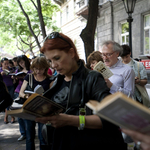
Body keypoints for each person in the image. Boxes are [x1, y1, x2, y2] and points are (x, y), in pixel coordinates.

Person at [35, 32, 127, 150]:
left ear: (71, 53)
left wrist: (71, 120)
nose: (53, 65)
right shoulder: (56, 82)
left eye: (57, 58)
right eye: (49, 61)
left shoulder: (92, 78)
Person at [19, 56, 52, 150]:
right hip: (29, 109)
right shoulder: (29, 77)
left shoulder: (49, 79)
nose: (38, 71)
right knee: (29, 136)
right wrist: (27, 96)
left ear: (45, 68)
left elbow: (52, 95)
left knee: (43, 137)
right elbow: (21, 93)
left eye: (41, 69)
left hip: (42, 110)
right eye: (36, 68)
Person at [13, 55, 31, 141]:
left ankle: (29, 133)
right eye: (19, 63)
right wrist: (15, 78)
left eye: (22, 62)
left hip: (26, 93)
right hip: (18, 92)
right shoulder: (18, 70)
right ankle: (23, 133)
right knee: (19, 115)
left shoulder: (30, 70)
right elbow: (15, 82)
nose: (21, 64)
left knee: (26, 114)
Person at [0, 57, 15, 124]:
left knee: (10, 102)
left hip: (11, 86)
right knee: (6, 103)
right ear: (2, 63)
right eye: (5, 64)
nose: (6, 65)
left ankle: (8, 117)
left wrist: (14, 77)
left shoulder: (11, 69)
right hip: (3, 88)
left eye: (7, 63)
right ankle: (11, 116)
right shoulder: (0, 70)